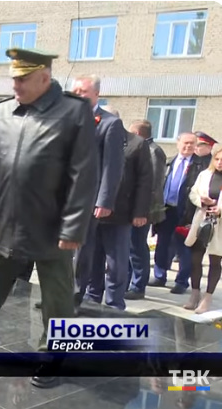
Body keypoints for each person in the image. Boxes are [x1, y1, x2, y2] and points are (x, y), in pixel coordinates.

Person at [0, 48, 99, 390]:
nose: (16, 84)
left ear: (45, 77)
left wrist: (73, 227)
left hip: (52, 225)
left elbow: (84, 174)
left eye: (23, 78)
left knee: (56, 298)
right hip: (9, 221)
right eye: (13, 77)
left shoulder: (73, 112)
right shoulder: (3, 112)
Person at [85, 109, 152, 310]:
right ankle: (92, 296)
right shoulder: (91, 139)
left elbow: (144, 181)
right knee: (92, 258)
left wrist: (140, 212)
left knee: (116, 263)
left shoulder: (135, 143)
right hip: (90, 213)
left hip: (120, 213)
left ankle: (115, 302)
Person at [71, 74, 126, 311]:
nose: (77, 95)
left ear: (95, 94)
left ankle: (74, 295)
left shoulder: (109, 123)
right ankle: (56, 290)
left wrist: (104, 200)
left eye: (82, 91)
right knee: (57, 248)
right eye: (75, 91)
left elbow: (112, 166)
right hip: (62, 196)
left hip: (88, 198)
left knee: (81, 250)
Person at [149, 132, 203, 294]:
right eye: (185, 143)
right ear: (178, 143)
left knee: (184, 247)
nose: (188, 146)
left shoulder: (199, 165)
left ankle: (181, 281)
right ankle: (160, 276)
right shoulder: (169, 162)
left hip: (186, 211)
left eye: (192, 143)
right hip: (166, 209)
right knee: (162, 244)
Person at [126, 120, 168, 300]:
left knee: (137, 247)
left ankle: (138, 286)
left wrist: (142, 211)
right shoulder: (144, 147)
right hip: (134, 207)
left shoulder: (153, 151)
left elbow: (151, 184)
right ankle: (129, 282)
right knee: (130, 247)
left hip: (143, 209)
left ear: (137, 132)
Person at [182, 144, 222, 313]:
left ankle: (207, 298)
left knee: (215, 260)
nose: (220, 163)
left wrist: (220, 208)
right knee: (195, 259)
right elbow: (193, 193)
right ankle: (195, 293)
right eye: (217, 159)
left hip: (219, 225)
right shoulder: (205, 174)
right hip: (202, 220)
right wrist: (201, 200)